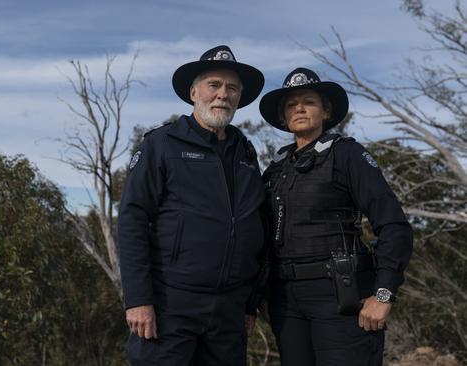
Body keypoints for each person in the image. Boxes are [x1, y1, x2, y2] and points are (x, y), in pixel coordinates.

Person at [117, 45, 266, 365]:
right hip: (170, 306)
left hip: (228, 312)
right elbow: (132, 220)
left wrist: (250, 303)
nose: (222, 94)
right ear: (194, 92)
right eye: (214, 85)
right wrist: (139, 300)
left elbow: (257, 229)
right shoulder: (161, 144)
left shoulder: (247, 154)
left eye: (232, 88)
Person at [258, 67, 414, 366]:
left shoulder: (347, 155)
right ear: (283, 116)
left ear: (325, 111)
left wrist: (383, 294)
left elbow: (394, 226)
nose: (299, 108)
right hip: (286, 301)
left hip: (340, 295)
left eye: (309, 101)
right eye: (291, 104)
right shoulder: (276, 168)